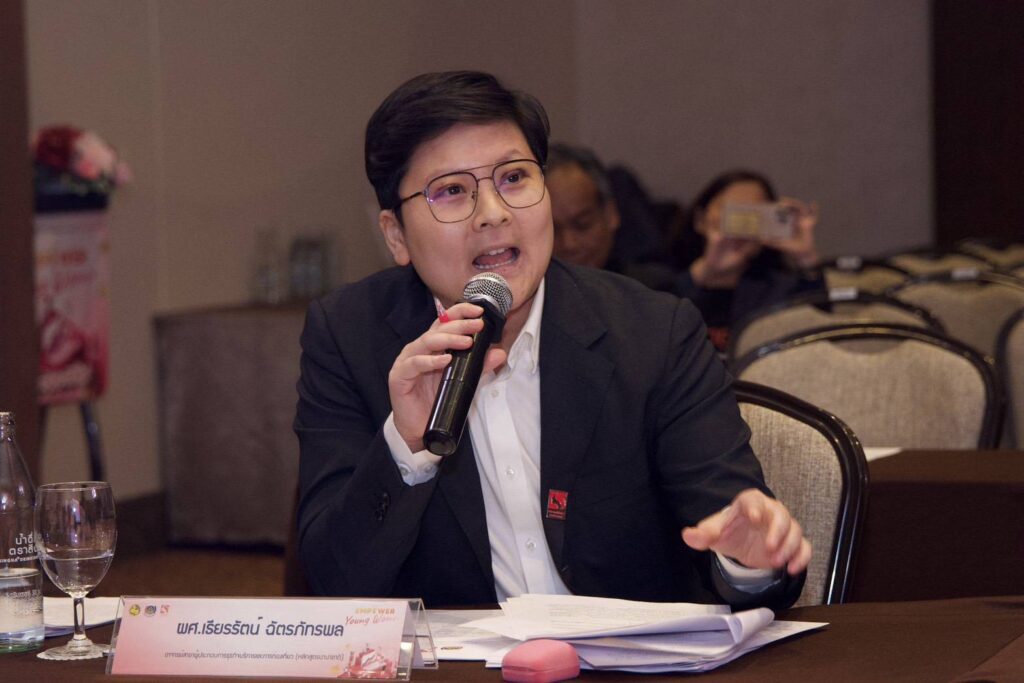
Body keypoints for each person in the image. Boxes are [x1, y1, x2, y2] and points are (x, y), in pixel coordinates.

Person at [295, 71, 810, 609]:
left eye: (514, 177)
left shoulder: (654, 332)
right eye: (451, 191)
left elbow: (735, 530)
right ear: (396, 235)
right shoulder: (347, 336)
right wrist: (406, 446)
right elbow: (335, 580)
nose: (494, 214)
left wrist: (749, 558)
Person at [671, 170, 825, 350]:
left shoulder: (779, 290)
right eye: (732, 210)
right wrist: (706, 272)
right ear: (700, 220)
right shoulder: (659, 277)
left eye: (755, 212)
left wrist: (806, 258)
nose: (742, 222)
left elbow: (818, 335)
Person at [546, 142, 679, 287]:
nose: (569, 244)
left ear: (610, 214)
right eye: (552, 230)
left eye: (582, 225)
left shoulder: (652, 290)